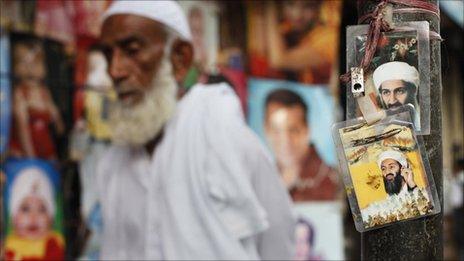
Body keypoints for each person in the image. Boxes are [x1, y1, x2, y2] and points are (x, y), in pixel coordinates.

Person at [96, 1, 295, 260]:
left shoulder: (217, 128)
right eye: (109, 55)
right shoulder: (113, 162)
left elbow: (277, 233)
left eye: (132, 51)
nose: (115, 70)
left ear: (180, 58)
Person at [263, 89, 338, 201]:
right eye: (276, 130)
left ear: (307, 130)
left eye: (293, 130)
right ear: (266, 130)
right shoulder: (262, 180)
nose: (285, 141)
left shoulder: (332, 181)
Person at [8, 41, 64, 160]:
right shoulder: (20, 94)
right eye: (25, 64)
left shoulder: (44, 92)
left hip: (45, 149)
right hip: (24, 151)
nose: (31, 70)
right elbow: (22, 128)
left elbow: (57, 123)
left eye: (36, 64)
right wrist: (30, 156)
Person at [5, 167, 64, 260]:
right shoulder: (8, 246)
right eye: (25, 209)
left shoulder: (54, 243)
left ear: (51, 219)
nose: (33, 217)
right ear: (13, 219)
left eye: (41, 210)